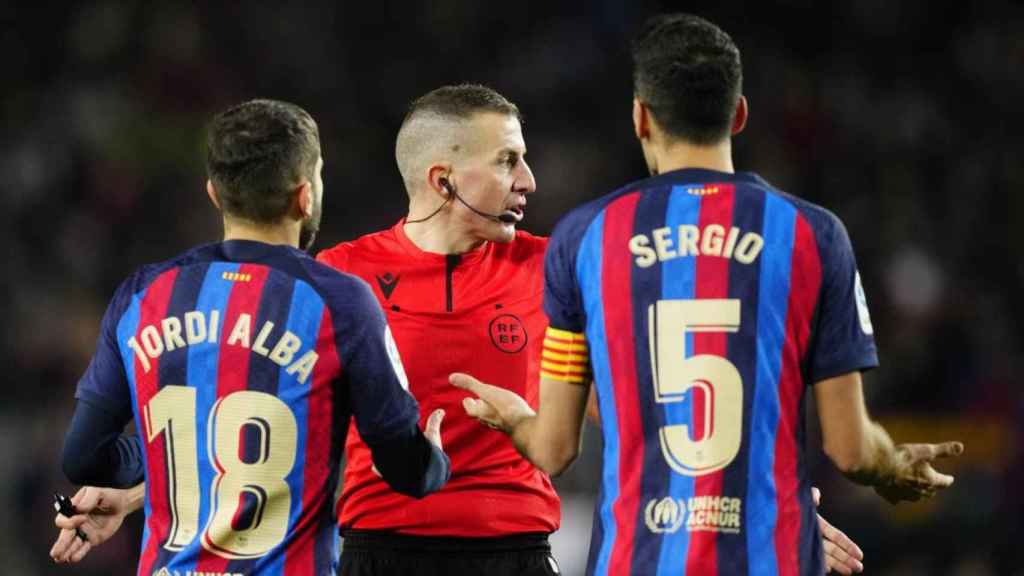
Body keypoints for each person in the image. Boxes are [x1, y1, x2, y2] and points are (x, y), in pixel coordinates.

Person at [52, 86, 864, 575]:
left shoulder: (567, 267)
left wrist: (757, 505)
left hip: (515, 556)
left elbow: (648, 408)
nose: (530, 181)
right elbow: (266, 443)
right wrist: (134, 494)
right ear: (444, 177)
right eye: (508, 161)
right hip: (371, 555)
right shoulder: (336, 284)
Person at [452, 14, 963, 576]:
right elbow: (850, 448)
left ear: (640, 117)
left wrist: (514, 418)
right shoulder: (813, 235)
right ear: (739, 114)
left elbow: (552, 449)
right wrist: (891, 469)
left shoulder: (584, 238)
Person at [53, 99, 450, 576]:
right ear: (306, 195)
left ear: (214, 194)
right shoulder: (341, 302)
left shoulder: (143, 295)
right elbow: (405, 466)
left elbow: (82, 456)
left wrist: (154, 457)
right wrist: (434, 461)